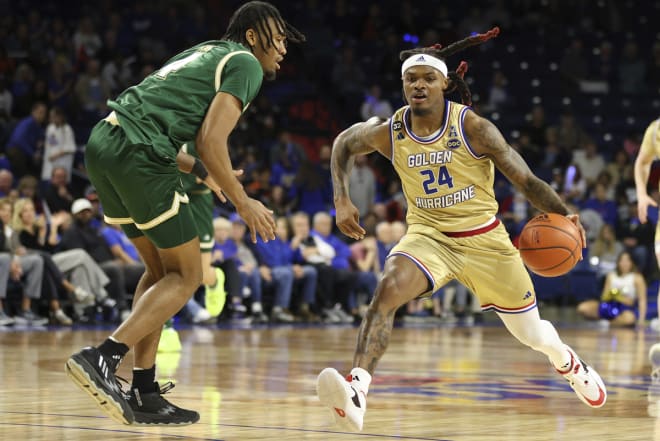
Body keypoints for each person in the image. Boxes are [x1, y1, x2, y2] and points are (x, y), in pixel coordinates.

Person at [316, 28, 607, 433]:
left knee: (533, 335)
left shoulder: (474, 128)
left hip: (486, 242)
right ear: (403, 85)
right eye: (411, 79)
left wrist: (564, 213)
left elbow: (526, 181)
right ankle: (357, 391)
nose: (419, 85)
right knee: (386, 291)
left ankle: (567, 362)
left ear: (446, 84)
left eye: (428, 78)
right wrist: (341, 198)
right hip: (429, 237)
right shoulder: (391, 131)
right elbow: (343, 144)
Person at [64, 1, 304, 427]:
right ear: (252, 36)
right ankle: (103, 357)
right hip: (140, 155)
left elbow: (152, 120)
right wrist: (243, 200)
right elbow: (212, 140)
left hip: (105, 142)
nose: (283, 47)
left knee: (161, 272)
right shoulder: (245, 64)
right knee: (188, 275)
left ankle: (145, 390)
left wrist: (202, 171)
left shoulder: (204, 52)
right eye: (278, 37)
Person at [576, 251, 646, 328]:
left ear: (632, 262)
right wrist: (614, 295)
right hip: (609, 305)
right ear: (618, 262)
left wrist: (641, 319)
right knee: (582, 307)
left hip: (625, 308)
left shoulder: (637, 278)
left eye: (627, 260)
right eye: (622, 260)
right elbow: (604, 296)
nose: (624, 263)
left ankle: (608, 323)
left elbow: (642, 300)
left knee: (629, 319)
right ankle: (606, 320)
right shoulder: (611, 276)